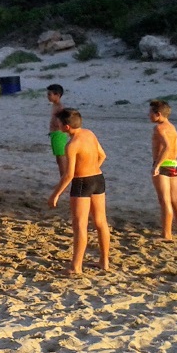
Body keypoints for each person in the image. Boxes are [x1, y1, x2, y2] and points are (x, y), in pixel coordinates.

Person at [48, 108, 111, 276]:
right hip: (98, 178)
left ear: (66, 127)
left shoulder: (72, 145)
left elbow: (69, 175)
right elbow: (102, 155)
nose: (57, 125)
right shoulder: (89, 133)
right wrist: (92, 168)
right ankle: (104, 261)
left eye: (59, 123)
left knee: (80, 225)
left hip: (82, 182)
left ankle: (76, 266)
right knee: (100, 222)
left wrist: (55, 194)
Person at [149, 100, 177, 240]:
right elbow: (176, 147)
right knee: (176, 199)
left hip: (163, 164)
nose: (148, 115)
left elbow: (167, 147)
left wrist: (157, 165)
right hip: (174, 163)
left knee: (165, 200)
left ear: (158, 114)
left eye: (150, 113)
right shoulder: (172, 127)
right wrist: (173, 160)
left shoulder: (159, 128)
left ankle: (167, 234)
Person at [47, 83, 68, 178]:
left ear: (57, 95)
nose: (48, 97)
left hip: (59, 134)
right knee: (58, 158)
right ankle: (62, 178)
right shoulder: (55, 106)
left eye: (50, 94)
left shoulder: (60, 107)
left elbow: (62, 122)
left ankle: (64, 179)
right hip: (54, 134)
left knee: (61, 157)